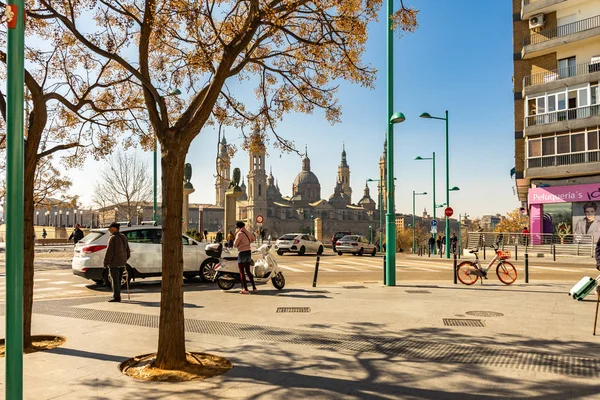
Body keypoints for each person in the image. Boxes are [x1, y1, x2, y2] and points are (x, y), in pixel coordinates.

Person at [103, 222, 130, 303]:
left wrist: (106, 262)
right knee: (118, 280)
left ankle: (116, 297)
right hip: (122, 262)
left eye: (110, 228)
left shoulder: (113, 238)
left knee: (115, 281)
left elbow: (109, 252)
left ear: (115, 228)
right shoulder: (123, 236)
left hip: (114, 263)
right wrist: (125, 259)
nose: (109, 230)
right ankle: (117, 295)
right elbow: (127, 250)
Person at [233, 221, 256, 295]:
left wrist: (240, 243)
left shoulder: (239, 233)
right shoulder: (248, 232)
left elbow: (235, 245)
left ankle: (245, 289)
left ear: (238, 227)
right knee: (248, 271)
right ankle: (254, 287)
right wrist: (247, 243)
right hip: (248, 252)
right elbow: (253, 239)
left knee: (242, 272)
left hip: (242, 253)